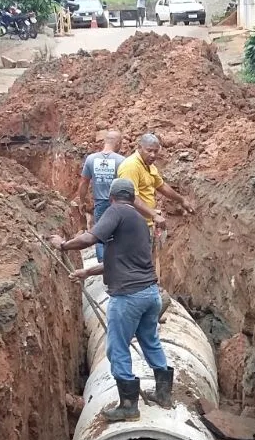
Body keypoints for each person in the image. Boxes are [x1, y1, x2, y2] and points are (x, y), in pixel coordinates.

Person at [51, 177, 174, 420]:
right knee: (150, 340)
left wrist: (63, 245)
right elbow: (124, 261)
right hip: (150, 294)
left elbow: (89, 239)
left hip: (128, 297)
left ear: (111, 197)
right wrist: (87, 272)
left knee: (117, 347)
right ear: (133, 198)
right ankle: (164, 394)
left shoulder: (115, 211)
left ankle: (128, 406)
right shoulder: (139, 221)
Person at [118, 133, 194, 303]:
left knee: (147, 262)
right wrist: (153, 214)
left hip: (145, 224)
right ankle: (136, 300)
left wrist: (181, 200)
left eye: (155, 151)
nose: (152, 155)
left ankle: (148, 299)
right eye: (149, 151)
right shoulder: (131, 166)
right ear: (139, 148)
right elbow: (131, 197)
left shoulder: (149, 166)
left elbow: (161, 185)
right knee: (136, 263)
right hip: (132, 225)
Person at [77, 130, 125, 262]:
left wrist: (82, 201)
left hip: (100, 203)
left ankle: (103, 264)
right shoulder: (121, 161)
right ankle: (117, 262)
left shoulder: (91, 159)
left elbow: (84, 182)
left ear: (105, 141)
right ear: (118, 143)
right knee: (118, 232)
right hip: (117, 202)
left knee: (100, 233)